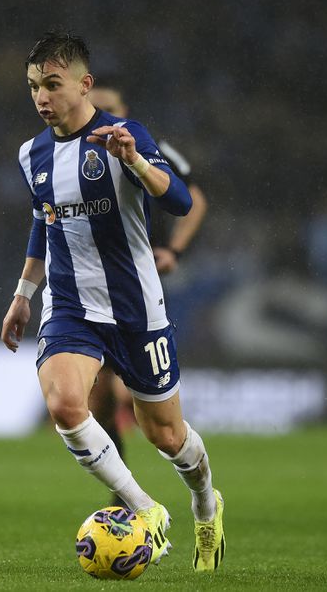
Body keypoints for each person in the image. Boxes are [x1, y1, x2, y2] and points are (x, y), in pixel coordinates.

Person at [1, 32, 225, 572]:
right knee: (64, 404)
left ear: (85, 84)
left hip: (134, 308)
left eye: (52, 84)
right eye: (33, 86)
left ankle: (205, 503)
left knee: (166, 435)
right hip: (71, 306)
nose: (41, 97)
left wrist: (137, 162)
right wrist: (23, 294)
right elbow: (43, 223)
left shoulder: (127, 135)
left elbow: (181, 201)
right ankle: (145, 509)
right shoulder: (32, 154)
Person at [87, 85, 208, 499]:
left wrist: (174, 250)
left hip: (140, 282)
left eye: (109, 108)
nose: (100, 115)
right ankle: (122, 493)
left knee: (135, 398)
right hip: (92, 290)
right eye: (95, 108)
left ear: (124, 109)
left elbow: (193, 200)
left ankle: (194, 483)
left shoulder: (148, 144)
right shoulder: (73, 148)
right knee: (99, 401)